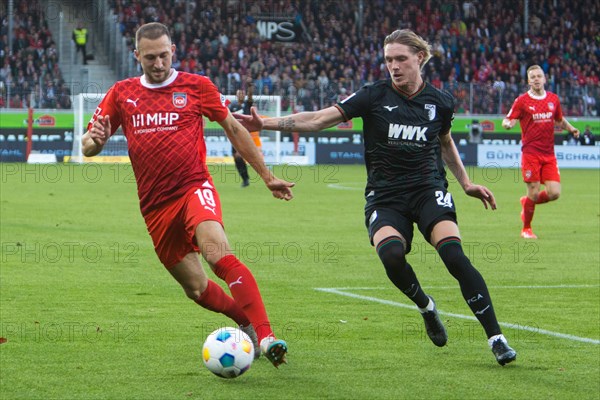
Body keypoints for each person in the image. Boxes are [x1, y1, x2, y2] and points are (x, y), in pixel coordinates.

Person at [236, 29, 517, 366]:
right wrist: (265, 123)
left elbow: (445, 142)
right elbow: (318, 119)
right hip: (385, 197)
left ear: (420, 58)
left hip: (429, 190)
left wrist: (466, 182)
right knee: (392, 256)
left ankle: (496, 338)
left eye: (401, 59)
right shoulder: (373, 96)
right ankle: (426, 307)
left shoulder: (441, 102)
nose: (394, 66)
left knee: (454, 255)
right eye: (388, 60)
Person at [81, 22, 293, 367]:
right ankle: (246, 324)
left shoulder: (196, 86)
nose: (158, 63)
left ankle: (267, 335)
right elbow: (88, 145)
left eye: (164, 55)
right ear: (137, 56)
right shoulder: (122, 93)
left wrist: (267, 176)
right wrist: (97, 140)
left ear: (173, 51)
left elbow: (234, 129)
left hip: (194, 186)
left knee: (217, 253)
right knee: (196, 289)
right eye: (150, 57)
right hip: (154, 206)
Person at [502, 65, 580, 239]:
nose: (536, 79)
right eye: (533, 77)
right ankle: (526, 229)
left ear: (545, 79)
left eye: (539, 76)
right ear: (528, 81)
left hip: (549, 155)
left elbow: (559, 119)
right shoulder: (522, 101)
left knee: (554, 193)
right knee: (534, 191)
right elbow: (509, 119)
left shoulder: (553, 99)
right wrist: (508, 124)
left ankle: (527, 202)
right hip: (530, 154)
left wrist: (571, 129)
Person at [228, 85, 258, 187]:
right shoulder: (232, 106)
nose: (240, 95)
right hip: (233, 133)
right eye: (238, 94)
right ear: (236, 95)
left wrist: (250, 87)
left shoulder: (247, 105)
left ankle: (247, 178)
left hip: (244, 133)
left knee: (239, 155)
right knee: (236, 158)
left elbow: (250, 97)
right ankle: (245, 178)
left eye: (242, 94)